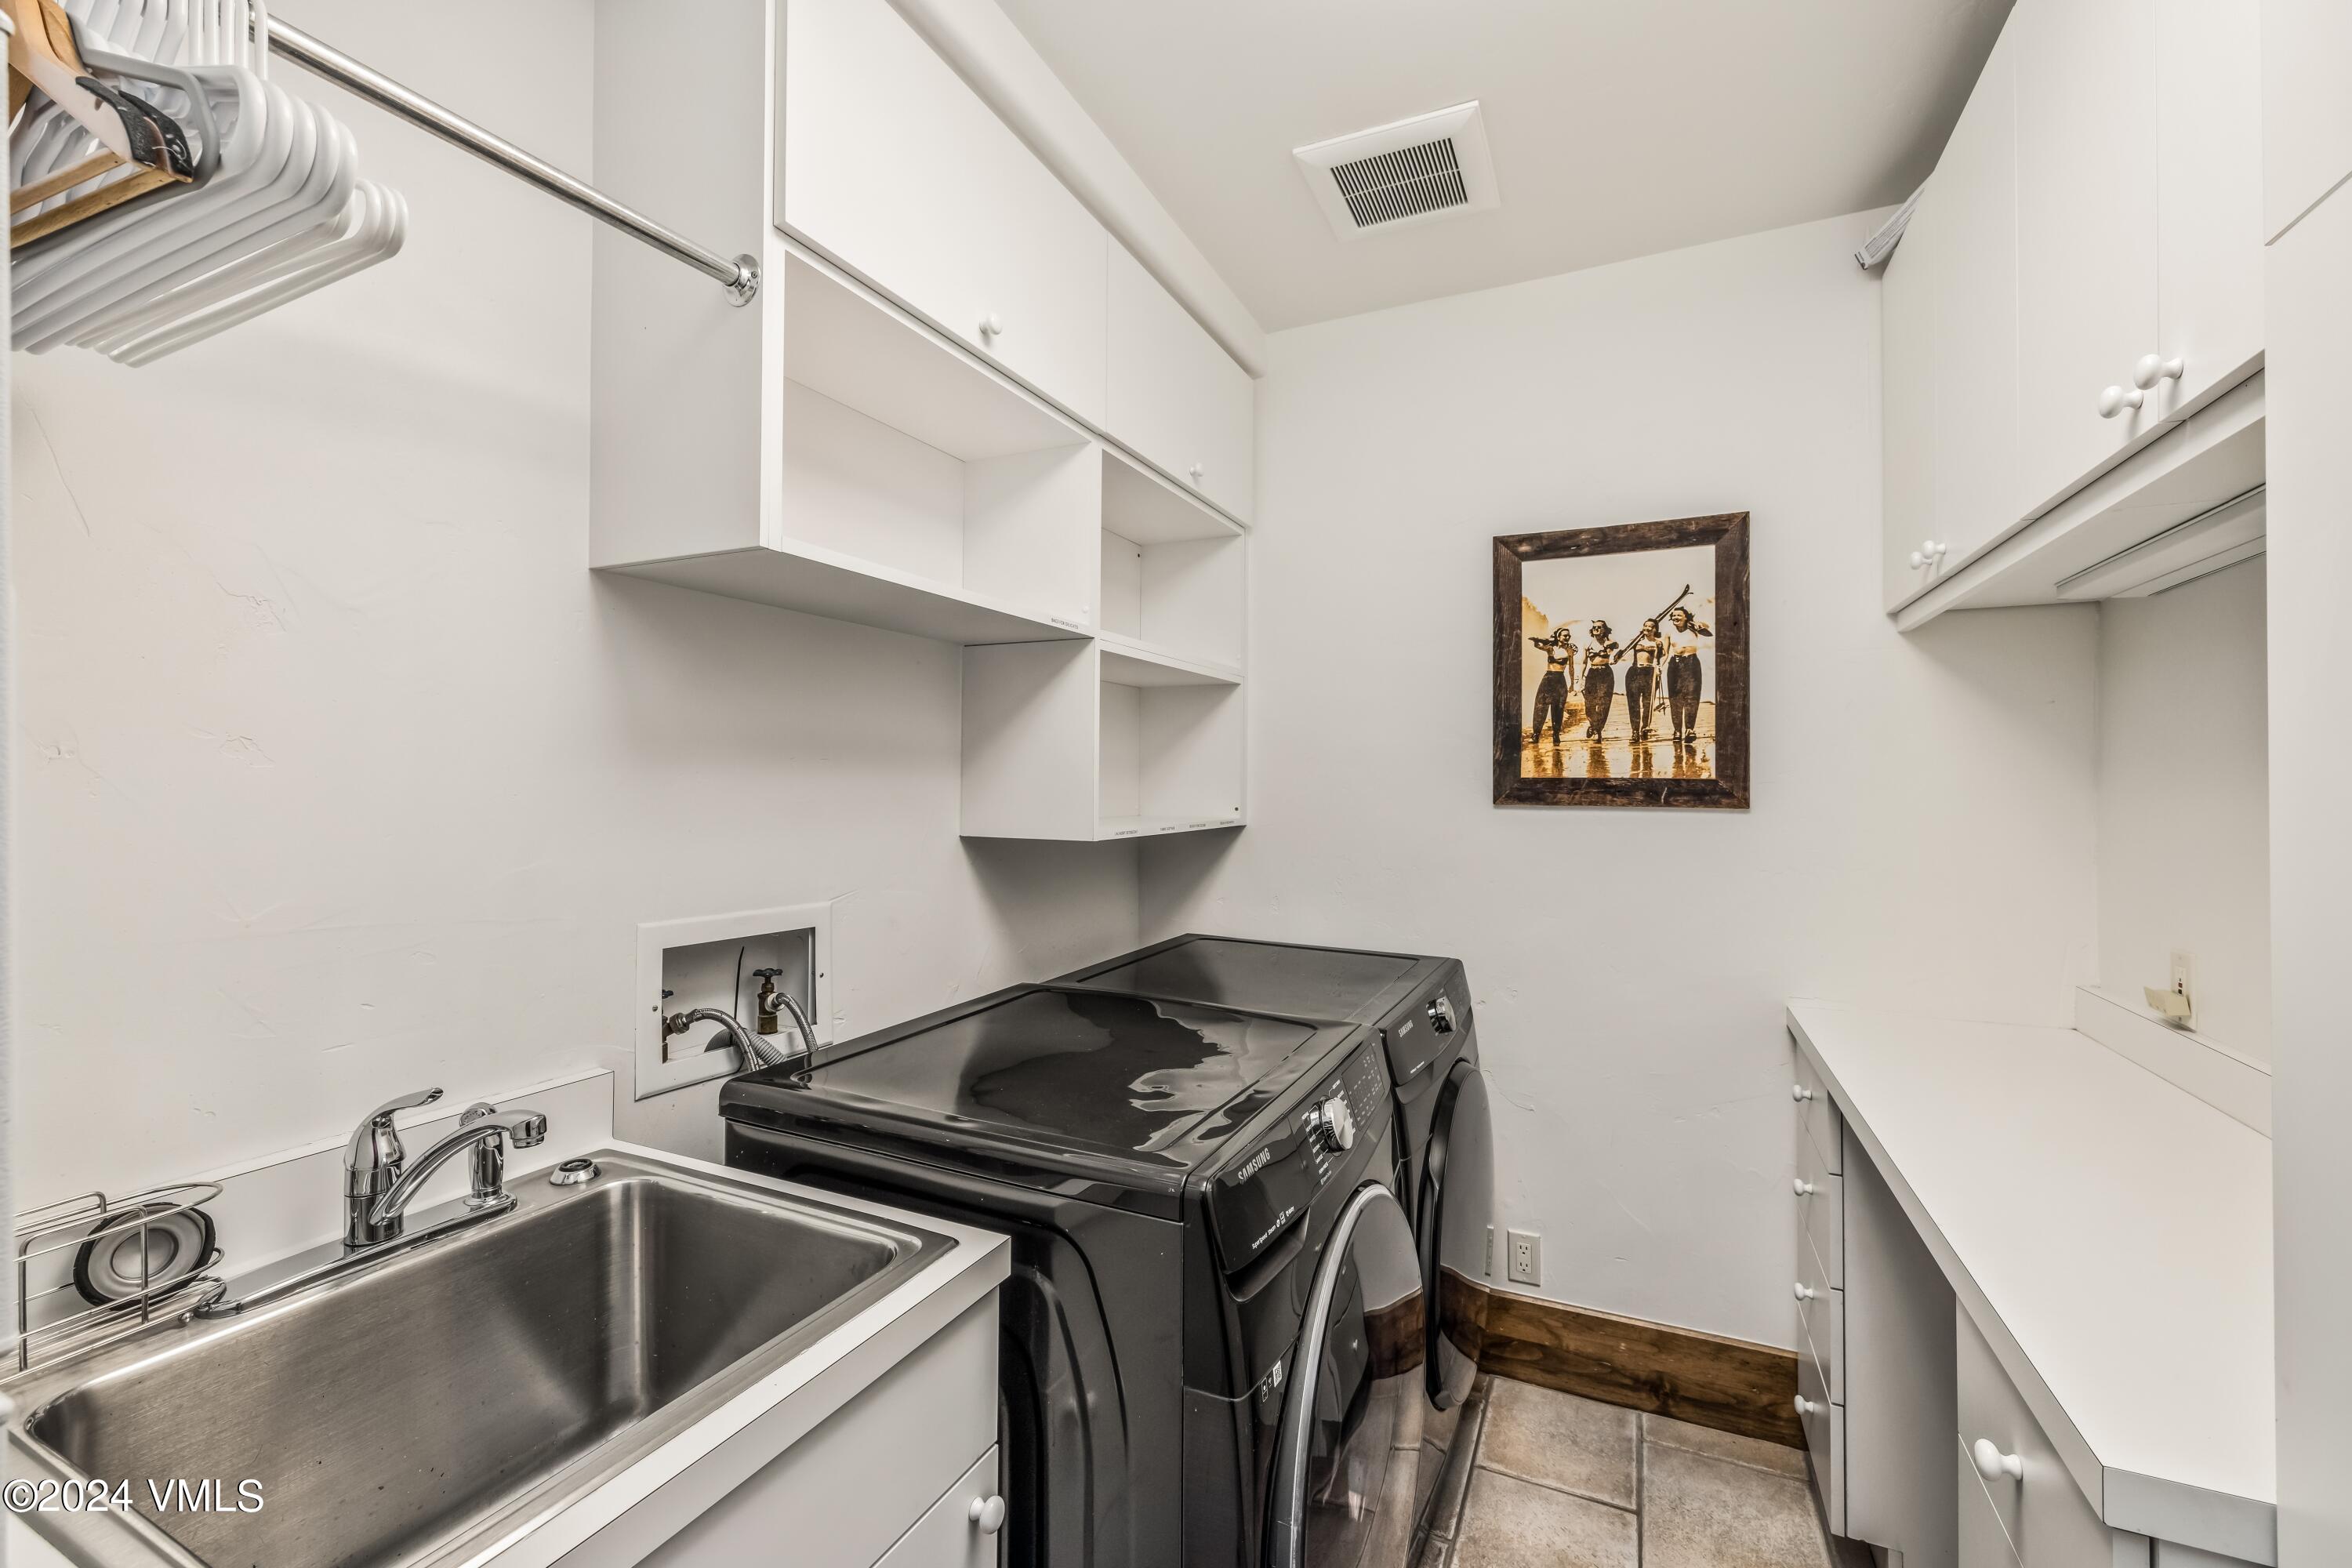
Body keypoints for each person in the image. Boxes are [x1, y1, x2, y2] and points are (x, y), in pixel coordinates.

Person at [1664, 606, 1713, 743]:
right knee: (1675, 698)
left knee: (1692, 696)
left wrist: (1700, 624)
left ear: (1686, 617)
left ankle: (1689, 730)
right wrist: (1659, 667)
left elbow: (1708, 630)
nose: (1676, 618)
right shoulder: (1669, 632)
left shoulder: (1693, 628)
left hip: (1692, 663)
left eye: (1679, 615)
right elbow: (1665, 653)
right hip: (1674, 665)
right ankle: (1677, 731)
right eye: (1673, 616)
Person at [1526, 626, 1577, 745]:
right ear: (1559, 637)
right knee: (1540, 706)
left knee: (1558, 708)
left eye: (1569, 635)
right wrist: (1535, 640)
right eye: (1565, 635)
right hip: (1548, 679)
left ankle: (1556, 735)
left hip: (1561, 679)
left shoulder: (1570, 651)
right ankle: (1536, 735)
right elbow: (1538, 646)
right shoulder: (1550, 648)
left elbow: (1571, 668)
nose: (1567, 637)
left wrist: (1572, 684)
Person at [1624, 619, 1667, 742]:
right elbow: (1622, 652)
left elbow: (1663, 656)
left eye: (1650, 627)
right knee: (1634, 704)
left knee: (1648, 704)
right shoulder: (1636, 641)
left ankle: (1645, 728)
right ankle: (1635, 731)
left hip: (1650, 673)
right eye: (1645, 626)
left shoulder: (1658, 643)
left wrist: (1659, 667)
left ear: (1655, 630)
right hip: (1635, 672)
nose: (1647, 628)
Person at [1581, 620, 1621, 739]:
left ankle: (1598, 728)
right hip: (1592, 673)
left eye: (1599, 627)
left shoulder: (1608, 642)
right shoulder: (1587, 644)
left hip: (1606, 673)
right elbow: (1584, 663)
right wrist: (1580, 680)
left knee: (1604, 703)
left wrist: (1610, 643)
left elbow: (1617, 646)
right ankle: (1593, 725)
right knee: (1590, 703)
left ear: (1604, 630)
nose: (1596, 629)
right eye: (1594, 627)